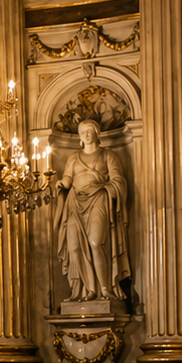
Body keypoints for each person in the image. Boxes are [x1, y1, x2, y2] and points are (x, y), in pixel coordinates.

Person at [55, 119, 130, 303]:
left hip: (99, 199)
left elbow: (118, 180)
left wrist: (107, 189)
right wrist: (60, 184)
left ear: (97, 134)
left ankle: (105, 288)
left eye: (89, 131)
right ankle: (87, 289)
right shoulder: (73, 158)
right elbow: (67, 179)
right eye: (82, 132)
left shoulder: (108, 156)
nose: (86, 135)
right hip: (75, 203)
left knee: (96, 243)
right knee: (75, 248)